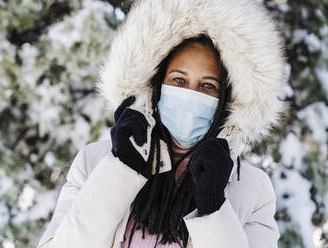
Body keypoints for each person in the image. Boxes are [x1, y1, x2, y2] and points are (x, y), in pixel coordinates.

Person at [37, 0, 286, 247]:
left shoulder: (252, 190)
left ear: (227, 99)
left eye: (208, 85)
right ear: (155, 85)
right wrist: (120, 172)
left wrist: (213, 209)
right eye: (179, 80)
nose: (191, 94)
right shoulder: (93, 163)